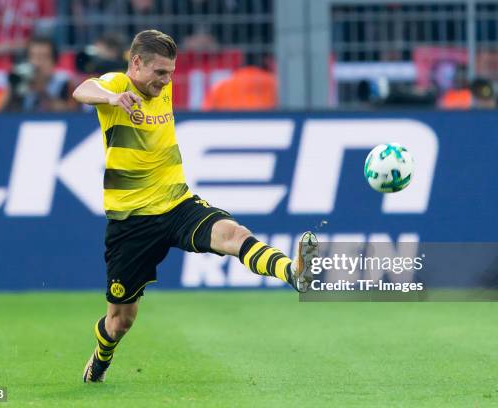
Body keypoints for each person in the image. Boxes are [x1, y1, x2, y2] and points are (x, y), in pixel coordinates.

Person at [72, 29, 318, 383]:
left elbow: (159, 79)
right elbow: (82, 90)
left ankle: (293, 274)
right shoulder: (116, 85)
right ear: (136, 63)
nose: (166, 81)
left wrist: (158, 79)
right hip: (132, 222)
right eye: (159, 73)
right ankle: (100, 358)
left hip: (177, 204)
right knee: (119, 321)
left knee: (234, 234)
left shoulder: (162, 85)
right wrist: (112, 100)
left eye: (170, 72)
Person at [1, 36, 74, 112]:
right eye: (33, 56)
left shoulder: (64, 83)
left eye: (44, 57)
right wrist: (11, 90)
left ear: (54, 61)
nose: (37, 63)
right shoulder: (20, 81)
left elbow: (72, 114)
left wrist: (42, 91)